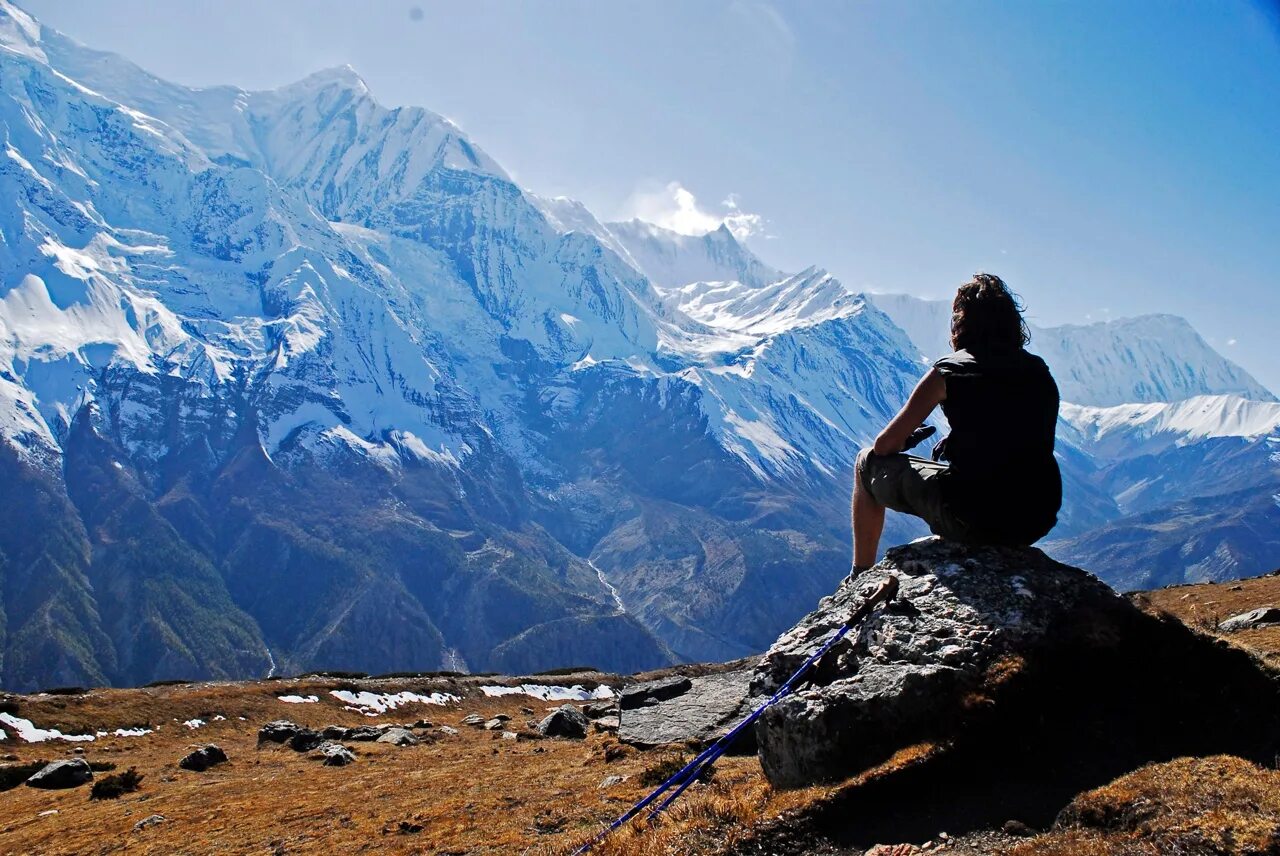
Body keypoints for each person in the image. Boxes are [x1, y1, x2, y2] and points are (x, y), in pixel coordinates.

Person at [851, 273, 1062, 573]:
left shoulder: (949, 372)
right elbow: (1021, 437)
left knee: (865, 462)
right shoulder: (1040, 373)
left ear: (962, 324)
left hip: (972, 517)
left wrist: (904, 444)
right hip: (1035, 518)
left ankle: (860, 573)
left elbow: (885, 445)